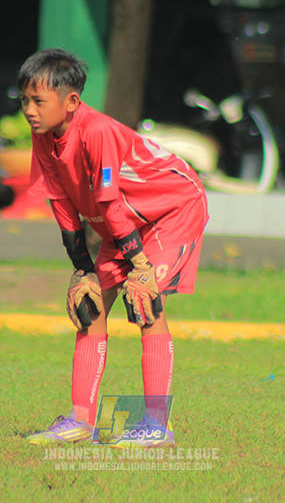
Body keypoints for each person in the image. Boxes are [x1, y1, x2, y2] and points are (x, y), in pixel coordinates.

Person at [19, 48, 208, 448]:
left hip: (172, 209)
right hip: (124, 221)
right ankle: (80, 421)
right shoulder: (44, 139)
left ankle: (157, 425)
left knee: (144, 300)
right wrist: (82, 268)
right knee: (89, 308)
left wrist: (139, 265)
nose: (29, 110)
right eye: (24, 100)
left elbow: (107, 200)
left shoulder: (97, 131)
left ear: (71, 102)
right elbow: (63, 206)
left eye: (38, 101)